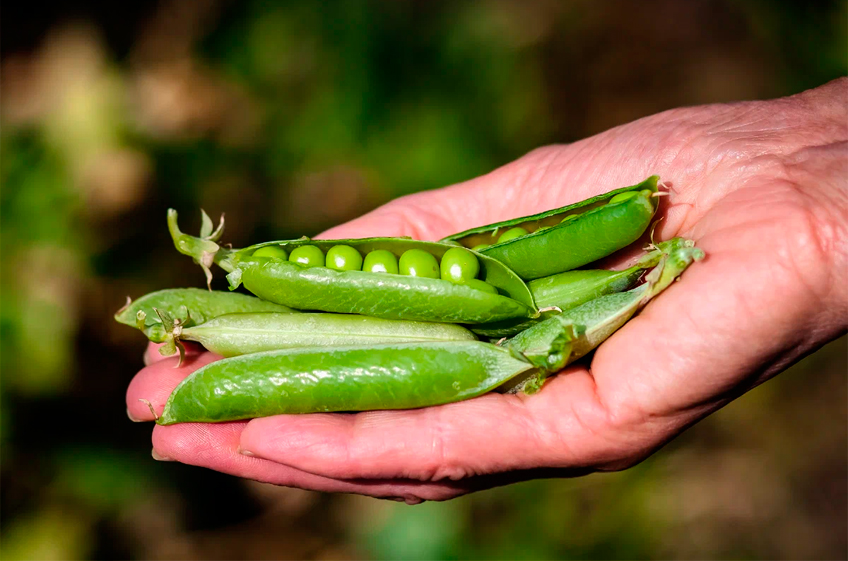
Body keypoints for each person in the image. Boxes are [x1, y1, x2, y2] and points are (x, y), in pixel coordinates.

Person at [126, 78, 847, 504]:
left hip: (524, 317)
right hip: (520, 323)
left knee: (458, 292)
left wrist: (810, 195)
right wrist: (803, 164)